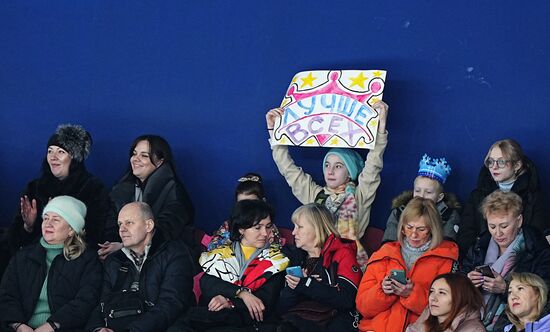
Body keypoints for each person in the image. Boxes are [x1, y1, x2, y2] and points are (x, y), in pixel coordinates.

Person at [266, 101, 389, 266]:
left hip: (348, 262)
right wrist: (274, 132)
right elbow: (288, 169)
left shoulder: (360, 195)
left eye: (338, 166)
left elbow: (373, 165)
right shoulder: (315, 195)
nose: (330, 171)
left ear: (350, 172)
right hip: (318, 262)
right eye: (327, 165)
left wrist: (380, 128)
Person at [2, 124, 111, 270]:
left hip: (73, 265)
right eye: (50, 151)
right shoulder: (34, 188)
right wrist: (28, 226)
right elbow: (14, 241)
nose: (53, 157)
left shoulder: (93, 189)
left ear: (74, 157)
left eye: (61, 152)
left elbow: (97, 236)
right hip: (34, 264)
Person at [182, 200, 289, 331]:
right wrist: (241, 293)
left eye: (268, 226)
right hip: (217, 317)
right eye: (258, 227)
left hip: (252, 324)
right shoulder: (221, 253)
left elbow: (263, 302)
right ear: (241, 229)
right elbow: (207, 283)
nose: (265, 233)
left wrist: (230, 303)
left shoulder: (277, 260)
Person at [87, 201, 195, 331]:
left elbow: (171, 305)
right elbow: (100, 304)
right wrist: (98, 328)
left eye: (129, 223)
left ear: (148, 225)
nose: (122, 229)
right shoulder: (114, 260)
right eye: (120, 224)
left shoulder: (175, 253)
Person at [356, 197, 459, 332]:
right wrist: (382, 291)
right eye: (409, 227)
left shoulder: (446, 258)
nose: (413, 234)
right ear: (402, 228)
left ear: (433, 230)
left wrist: (411, 294)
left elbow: (447, 310)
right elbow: (363, 307)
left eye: (421, 229)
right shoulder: (383, 254)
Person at [0, 196, 102, 331]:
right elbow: (7, 295)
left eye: (56, 220)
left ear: (71, 229)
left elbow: (86, 301)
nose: (48, 224)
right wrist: (18, 325)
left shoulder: (87, 260)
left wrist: (53, 325)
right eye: (46, 218)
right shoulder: (23, 256)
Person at [461, 190, 550, 331]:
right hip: (471, 317)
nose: (498, 233)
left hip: (511, 322)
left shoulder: (538, 248)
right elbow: (460, 275)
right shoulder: (480, 244)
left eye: (504, 226)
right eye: (492, 226)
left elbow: (545, 291)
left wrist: (505, 289)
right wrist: (467, 281)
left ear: (519, 221)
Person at [98, 134, 195, 260]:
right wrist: (109, 246)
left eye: (144, 155)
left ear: (160, 161)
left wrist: (123, 247)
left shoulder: (175, 192)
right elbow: (111, 225)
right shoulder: (121, 189)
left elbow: (165, 232)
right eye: (134, 154)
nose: (135, 159)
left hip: (166, 257)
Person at [457, 139, 549, 257]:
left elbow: (537, 238)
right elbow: (465, 236)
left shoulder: (533, 197)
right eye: (490, 162)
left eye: (501, 162)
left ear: (517, 165)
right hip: (481, 261)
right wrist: (478, 259)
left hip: (521, 264)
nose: (494, 167)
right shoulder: (477, 196)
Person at [277, 203, 363, 331]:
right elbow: (281, 309)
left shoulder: (342, 253)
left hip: (334, 323)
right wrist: (293, 287)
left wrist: (308, 284)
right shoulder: (295, 257)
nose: (294, 232)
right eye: (294, 227)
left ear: (317, 228)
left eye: (299, 227)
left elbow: (347, 300)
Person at [383, 154, 460, 243]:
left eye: (428, 192)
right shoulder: (399, 211)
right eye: (418, 191)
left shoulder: (449, 215)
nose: (421, 196)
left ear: (439, 197)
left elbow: (447, 246)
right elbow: (388, 242)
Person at [206, 172, 282, 251]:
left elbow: (277, 252)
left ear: (262, 202)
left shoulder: (268, 228)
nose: (246, 209)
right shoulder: (228, 226)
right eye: (241, 204)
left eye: (251, 203)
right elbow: (212, 248)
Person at [406, 273, 485, 332]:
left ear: (459, 297)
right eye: (432, 291)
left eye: (442, 293)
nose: (433, 298)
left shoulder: (474, 330)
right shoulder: (427, 316)